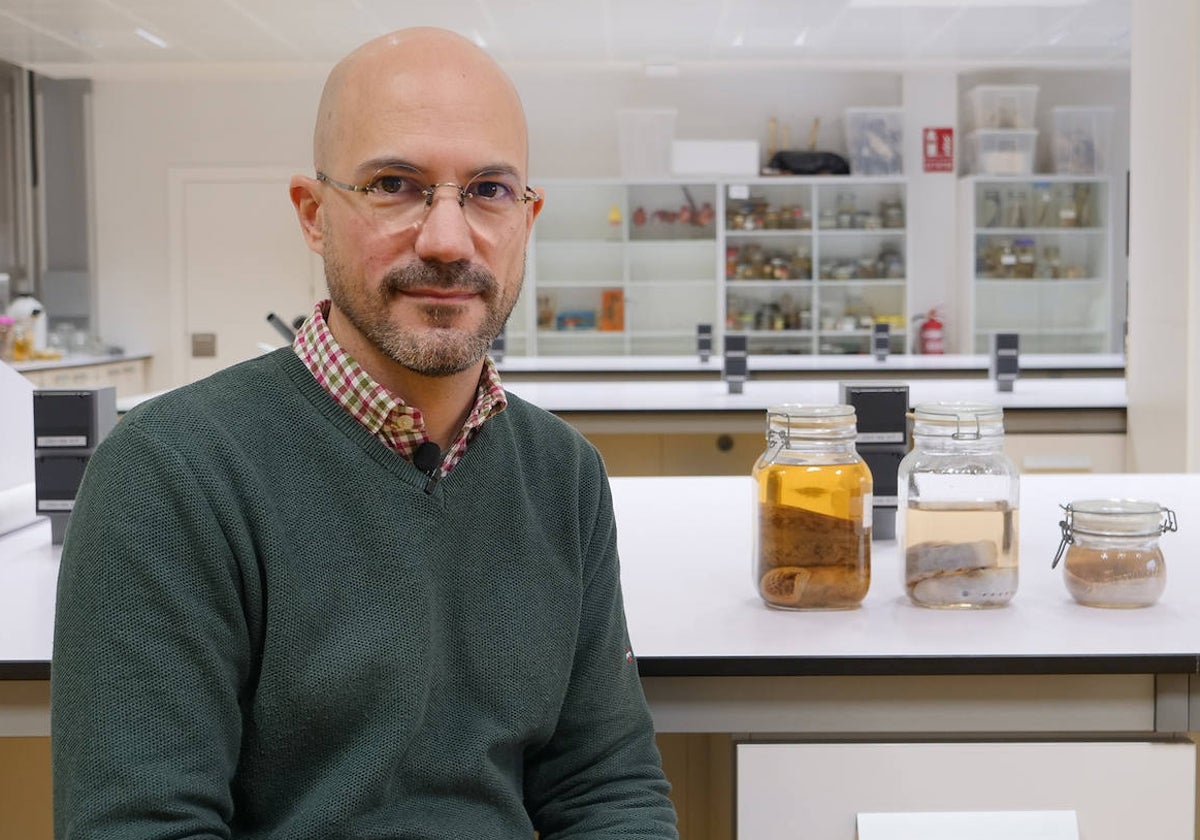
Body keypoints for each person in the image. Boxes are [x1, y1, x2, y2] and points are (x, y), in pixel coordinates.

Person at [51, 27, 678, 839]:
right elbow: (139, 827)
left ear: (528, 218)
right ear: (314, 216)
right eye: (394, 183)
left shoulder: (563, 476)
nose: (448, 241)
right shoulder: (170, 475)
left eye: (487, 190)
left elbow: (608, 793)